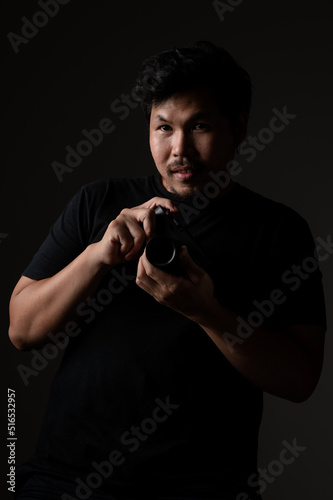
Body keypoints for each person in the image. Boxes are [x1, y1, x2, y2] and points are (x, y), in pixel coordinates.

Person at [9, 41, 326, 500]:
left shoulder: (278, 231)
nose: (179, 149)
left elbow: (300, 380)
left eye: (199, 126)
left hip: (206, 486)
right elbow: (21, 330)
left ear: (238, 128)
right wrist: (97, 255)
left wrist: (208, 312)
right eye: (163, 127)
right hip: (65, 478)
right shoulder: (99, 203)